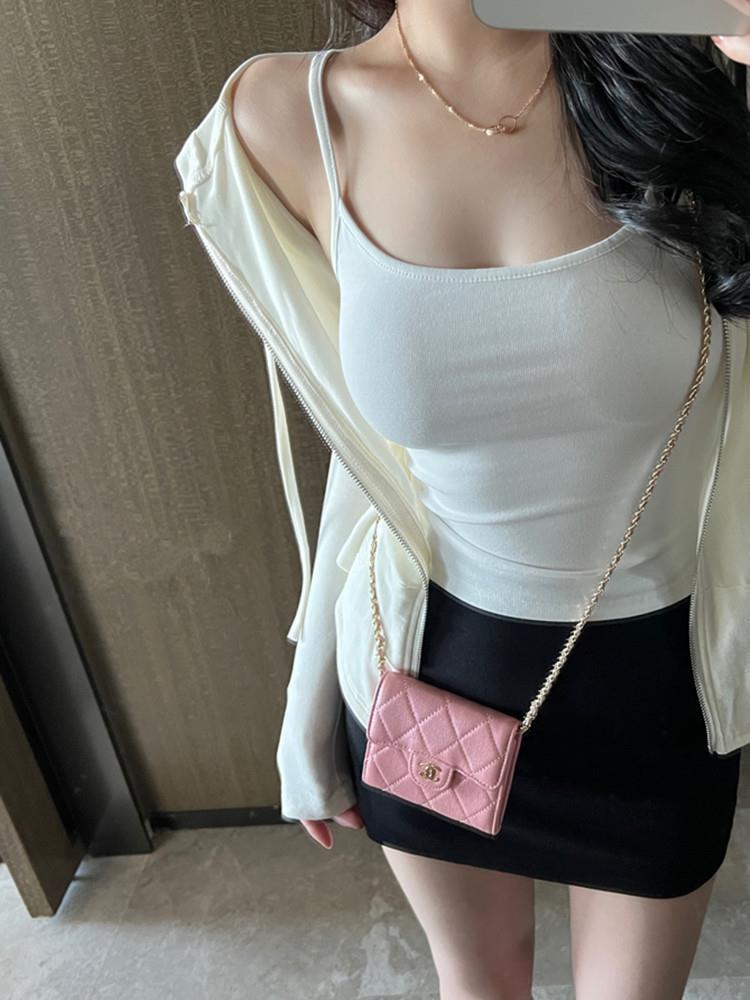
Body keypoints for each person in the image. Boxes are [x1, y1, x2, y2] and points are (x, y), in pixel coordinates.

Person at [226, 3, 750, 997]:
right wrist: (308, 702)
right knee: (479, 984)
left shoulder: (682, 81)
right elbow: (374, 456)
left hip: (656, 701)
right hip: (426, 686)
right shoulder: (286, 116)